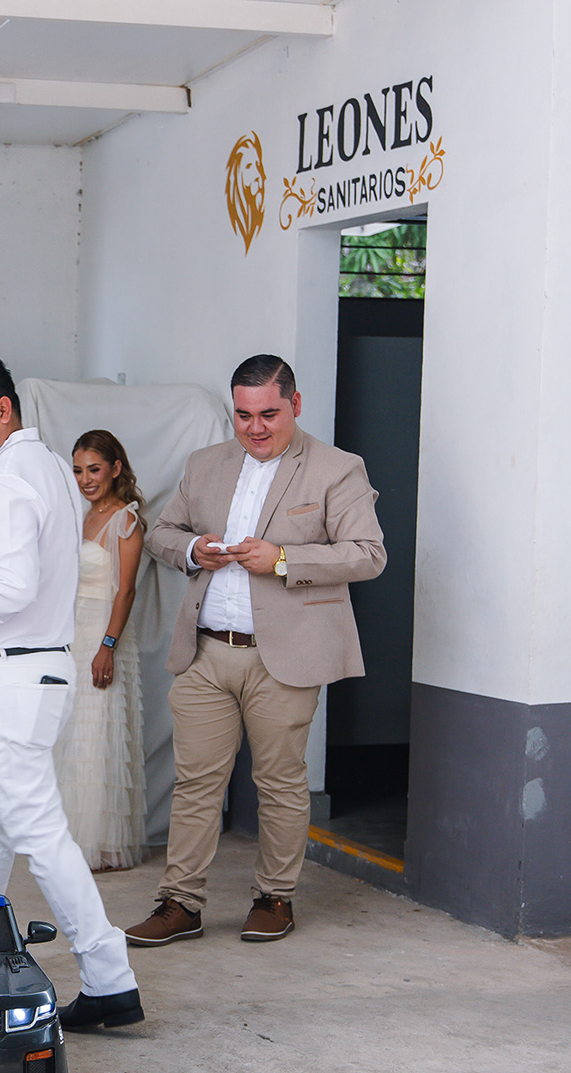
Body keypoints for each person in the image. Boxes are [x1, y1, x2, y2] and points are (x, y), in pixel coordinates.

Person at [123, 355, 386, 947]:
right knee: (195, 783)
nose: (256, 427)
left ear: (295, 404)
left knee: (281, 782)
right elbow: (162, 534)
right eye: (244, 415)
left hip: (284, 658)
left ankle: (274, 897)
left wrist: (284, 559)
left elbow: (369, 553)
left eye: (269, 413)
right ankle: (180, 903)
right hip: (205, 653)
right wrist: (194, 549)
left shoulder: (337, 468)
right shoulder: (205, 463)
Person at [0, 353, 142, 1030]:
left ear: (2, 410)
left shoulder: (11, 478)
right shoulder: (38, 466)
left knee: (39, 834)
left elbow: (11, 586)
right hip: (23, 671)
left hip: (10, 676)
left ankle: (109, 977)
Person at [55, 430, 148, 872]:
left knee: (97, 735)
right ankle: (71, 837)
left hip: (101, 636)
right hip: (71, 635)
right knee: (71, 734)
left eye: (94, 469)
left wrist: (107, 647)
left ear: (115, 468)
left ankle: (100, 844)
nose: (86, 479)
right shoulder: (82, 514)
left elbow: (126, 592)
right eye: (78, 470)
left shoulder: (126, 521)